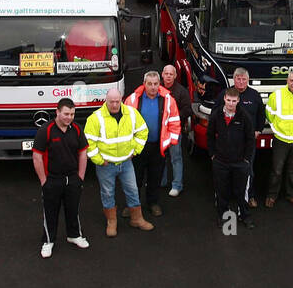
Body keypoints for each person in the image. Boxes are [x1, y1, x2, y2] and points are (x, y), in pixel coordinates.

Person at [85, 89, 153, 236]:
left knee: (133, 190)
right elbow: (89, 142)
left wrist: (135, 150)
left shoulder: (132, 113)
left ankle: (137, 219)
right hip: (106, 165)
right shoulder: (95, 118)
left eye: (117, 101)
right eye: (111, 102)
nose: (115, 105)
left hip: (126, 163)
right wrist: (99, 160)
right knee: (107, 193)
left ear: (121, 100)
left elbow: (143, 131)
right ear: (106, 101)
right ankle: (112, 222)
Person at [32, 98, 90, 258]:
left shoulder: (77, 129)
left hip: (72, 179)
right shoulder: (46, 130)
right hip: (52, 179)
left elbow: (83, 153)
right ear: (57, 112)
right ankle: (48, 241)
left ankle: (74, 235)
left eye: (72, 114)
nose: (69, 117)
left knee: (73, 209)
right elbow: (37, 157)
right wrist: (44, 181)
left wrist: (80, 177)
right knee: (50, 212)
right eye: (66, 114)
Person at [124, 71, 181, 217]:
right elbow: (124, 125)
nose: (153, 87)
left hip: (157, 147)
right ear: (144, 84)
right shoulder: (132, 99)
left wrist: (170, 142)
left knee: (154, 178)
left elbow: (175, 122)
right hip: (138, 147)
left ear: (159, 84)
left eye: (156, 83)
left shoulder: (168, 100)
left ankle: (153, 203)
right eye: (149, 84)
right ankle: (132, 206)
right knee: (134, 178)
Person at [206, 88, 255, 230]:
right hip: (220, 161)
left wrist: (246, 159)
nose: (231, 104)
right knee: (222, 191)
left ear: (238, 101)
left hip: (240, 163)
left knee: (240, 192)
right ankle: (223, 216)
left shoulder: (244, 116)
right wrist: (213, 155)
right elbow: (210, 136)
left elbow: (250, 139)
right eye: (228, 100)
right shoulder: (216, 115)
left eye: (234, 101)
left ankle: (244, 216)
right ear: (224, 99)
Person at [264, 70, 293, 208]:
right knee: (277, 170)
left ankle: (291, 194)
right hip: (281, 138)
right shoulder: (276, 95)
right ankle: (272, 195)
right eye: (291, 80)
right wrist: (276, 128)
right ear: (287, 80)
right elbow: (269, 113)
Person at [231, 67, 267, 207]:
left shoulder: (254, 95)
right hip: (230, 141)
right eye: (238, 79)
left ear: (248, 80)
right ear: (234, 80)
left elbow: (261, 114)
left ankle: (250, 196)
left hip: (248, 141)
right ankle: (231, 196)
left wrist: (258, 130)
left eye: (243, 79)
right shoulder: (227, 94)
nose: (240, 82)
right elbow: (216, 115)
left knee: (248, 170)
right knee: (230, 170)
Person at [160, 64, 192, 198]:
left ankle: (177, 185)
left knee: (176, 157)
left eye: (171, 74)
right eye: (166, 73)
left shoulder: (181, 91)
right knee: (160, 157)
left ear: (175, 76)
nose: (168, 76)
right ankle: (161, 182)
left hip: (174, 130)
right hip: (160, 130)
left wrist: (174, 118)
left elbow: (188, 109)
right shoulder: (157, 88)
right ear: (162, 74)